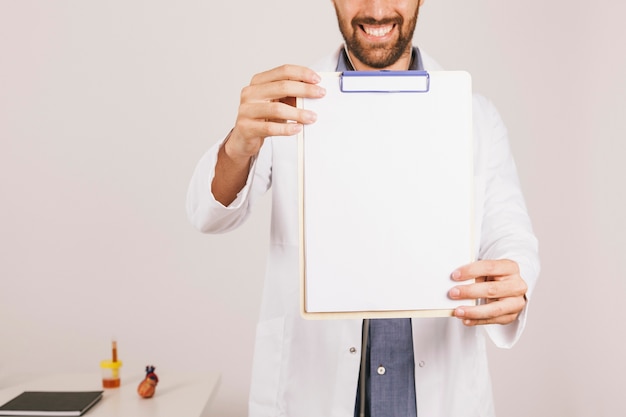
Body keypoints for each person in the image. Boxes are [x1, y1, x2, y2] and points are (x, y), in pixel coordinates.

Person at [186, 1, 539, 416]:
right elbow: (210, 214)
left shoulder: (475, 115)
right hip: (315, 391)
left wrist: (514, 279)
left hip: (431, 390)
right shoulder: (287, 106)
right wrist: (239, 143)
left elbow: (509, 234)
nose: (375, 9)